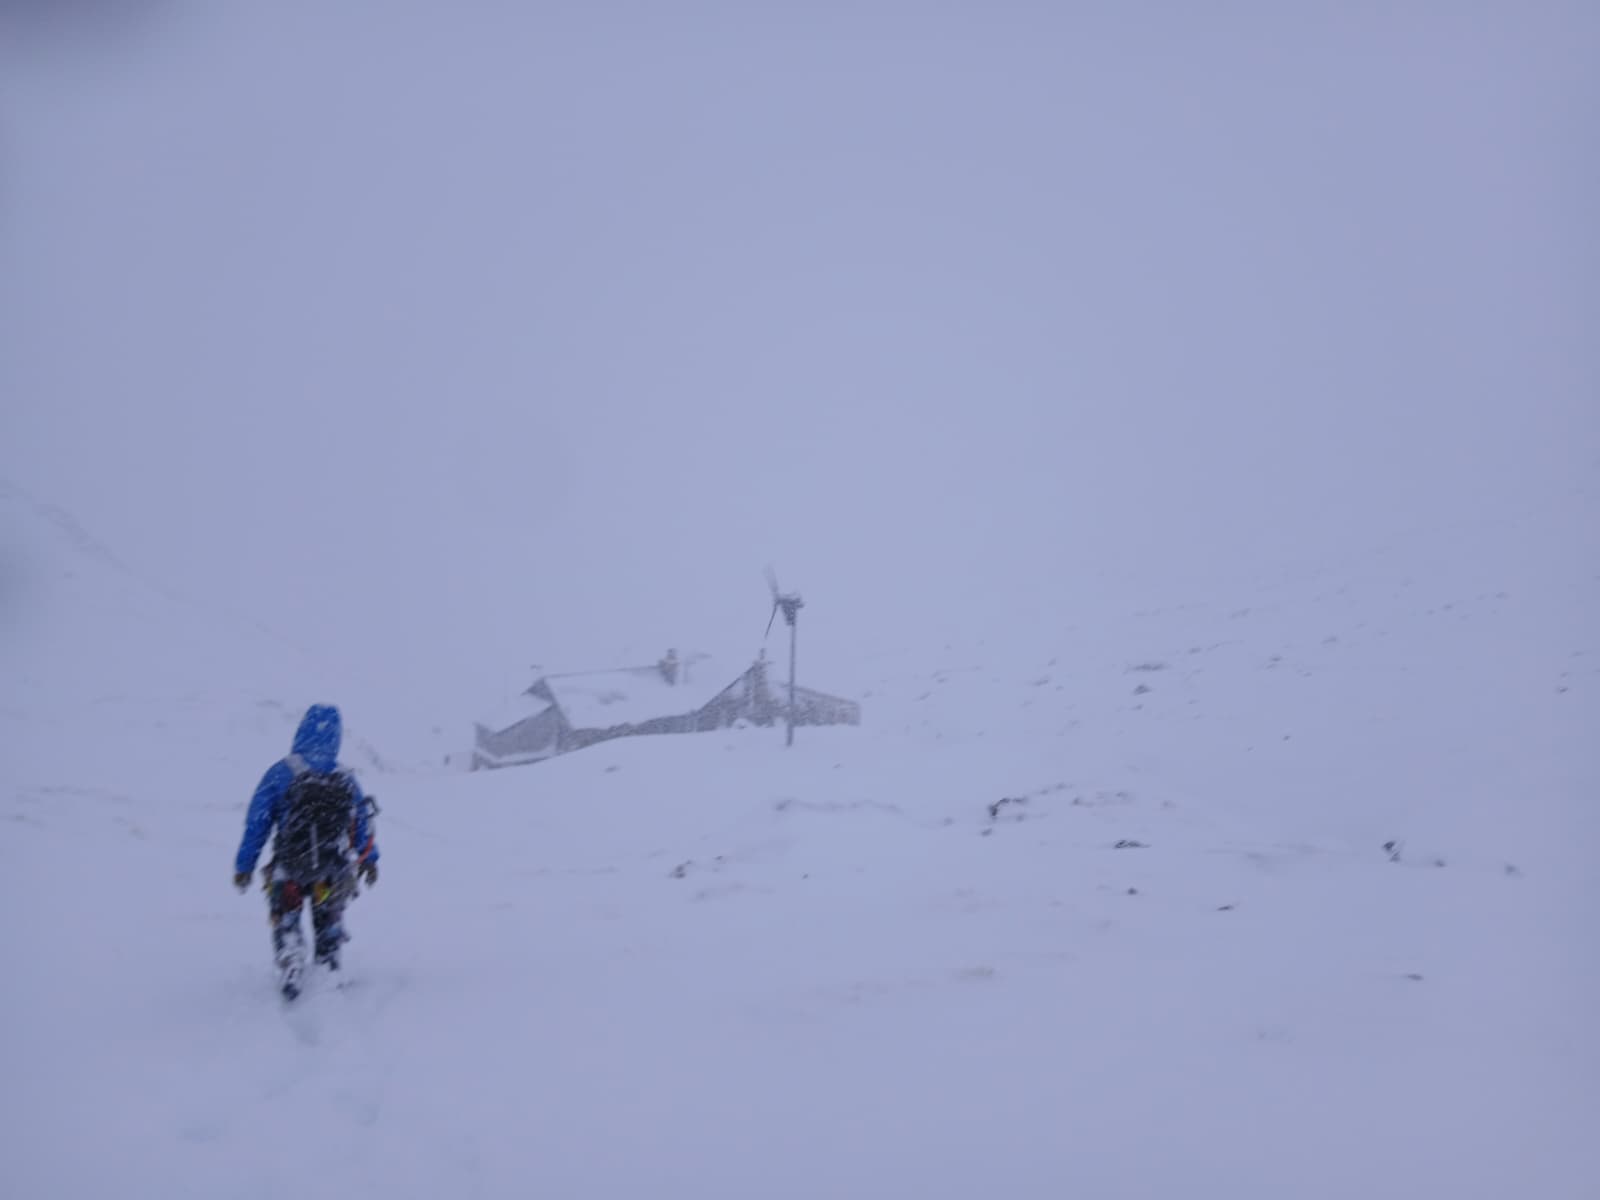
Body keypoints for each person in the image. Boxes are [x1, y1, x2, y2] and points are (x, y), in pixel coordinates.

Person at [233, 703, 379, 997]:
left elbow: (257, 824)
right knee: (327, 919)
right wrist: (369, 861)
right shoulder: (345, 777)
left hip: (289, 867)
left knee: (286, 914)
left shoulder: (279, 773)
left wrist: (245, 866)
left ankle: (290, 956)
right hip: (332, 871)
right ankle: (328, 967)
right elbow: (362, 823)